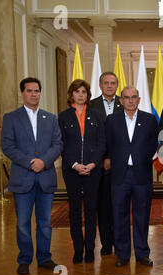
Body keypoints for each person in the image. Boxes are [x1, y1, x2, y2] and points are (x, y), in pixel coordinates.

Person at [1, 77, 63, 275]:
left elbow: (58, 144)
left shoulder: (50, 118)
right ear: (22, 93)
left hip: (45, 177)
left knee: (45, 222)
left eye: (36, 91)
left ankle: (44, 257)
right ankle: (25, 259)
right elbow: (8, 146)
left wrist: (43, 161)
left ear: (40, 93)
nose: (33, 94)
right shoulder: (11, 118)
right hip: (23, 178)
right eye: (29, 91)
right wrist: (31, 162)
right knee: (23, 223)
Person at [105, 86, 158, 267]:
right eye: (126, 97)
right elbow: (109, 144)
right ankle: (123, 254)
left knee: (141, 215)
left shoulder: (149, 119)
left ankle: (142, 253)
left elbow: (153, 145)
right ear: (121, 100)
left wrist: (141, 159)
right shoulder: (111, 120)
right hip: (120, 174)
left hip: (141, 174)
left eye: (134, 97)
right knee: (119, 215)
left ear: (139, 99)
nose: (130, 100)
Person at [58, 79, 105, 264]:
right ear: (71, 94)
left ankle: (90, 248)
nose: (80, 95)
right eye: (77, 91)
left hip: (93, 170)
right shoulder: (63, 117)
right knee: (75, 210)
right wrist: (75, 164)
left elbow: (102, 143)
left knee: (92, 210)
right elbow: (60, 144)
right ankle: (78, 248)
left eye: (84, 92)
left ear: (88, 95)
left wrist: (93, 163)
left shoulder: (96, 115)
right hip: (72, 170)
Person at [89, 72, 123, 256]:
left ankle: (119, 241)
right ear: (100, 85)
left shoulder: (124, 103)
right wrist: (102, 158)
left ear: (117, 85)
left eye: (113, 83)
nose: (109, 86)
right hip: (99, 163)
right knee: (102, 205)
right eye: (106, 83)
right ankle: (106, 243)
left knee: (119, 205)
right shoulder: (91, 105)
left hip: (121, 162)